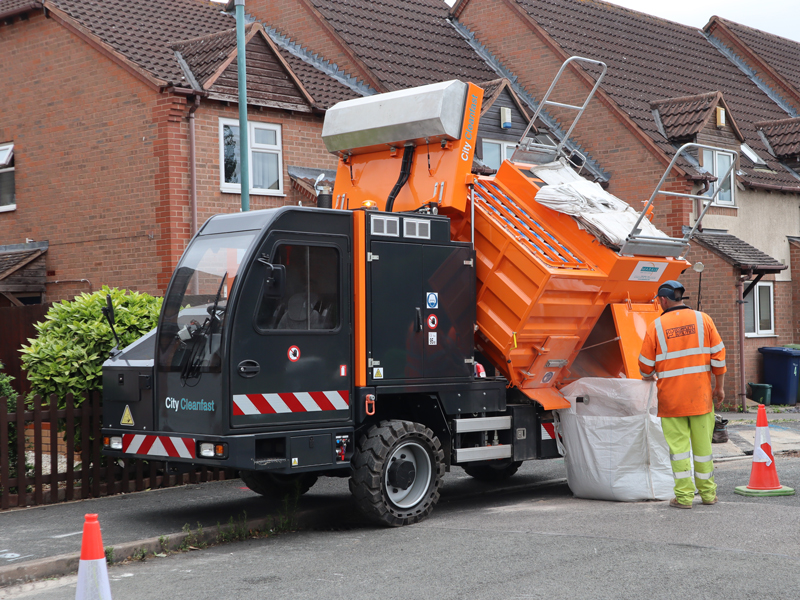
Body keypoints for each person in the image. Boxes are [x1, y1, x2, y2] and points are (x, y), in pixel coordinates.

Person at [638, 280, 726, 509]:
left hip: (672, 401)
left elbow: (645, 367)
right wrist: (719, 387)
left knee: (679, 451)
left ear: (663, 300)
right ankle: (708, 495)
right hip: (701, 399)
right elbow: (719, 357)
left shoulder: (655, 326)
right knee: (703, 450)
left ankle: (684, 498)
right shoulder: (703, 319)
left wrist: (650, 373)